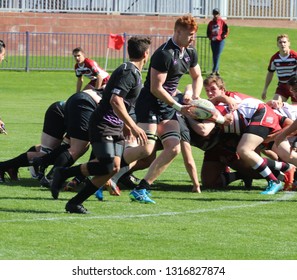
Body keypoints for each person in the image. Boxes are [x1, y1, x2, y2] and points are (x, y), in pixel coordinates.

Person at [50, 36, 151, 213]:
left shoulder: (134, 72)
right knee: (106, 165)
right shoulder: (129, 72)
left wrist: (126, 126)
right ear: (146, 54)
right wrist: (133, 126)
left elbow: (125, 103)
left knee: (113, 168)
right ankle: (62, 173)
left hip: (116, 126)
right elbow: (115, 100)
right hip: (103, 124)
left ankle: (74, 202)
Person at [121, 14, 203, 204]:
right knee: (146, 149)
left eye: (194, 34)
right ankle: (105, 167)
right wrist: (178, 106)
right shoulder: (164, 54)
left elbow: (197, 76)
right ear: (177, 32)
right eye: (189, 34)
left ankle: (142, 188)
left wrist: (196, 98)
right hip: (150, 103)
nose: (192, 38)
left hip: (168, 106)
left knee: (173, 149)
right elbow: (155, 88)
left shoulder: (190, 53)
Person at [0, 101, 68, 183]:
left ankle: (11, 166)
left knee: (66, 148)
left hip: (68, 111)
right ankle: (4, 166)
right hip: (61, 112)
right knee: (50, 153)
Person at [261, 34, 297, 104]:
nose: (282, 44)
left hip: (295, 87)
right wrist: (265, 89)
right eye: (280, 42)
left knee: (295, 110)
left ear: (289, 43)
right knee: (274, 105)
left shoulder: (295, 56)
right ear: (277, 44)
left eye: (284, 42)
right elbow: (270, 73)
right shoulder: (275, 58)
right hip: (282, 86)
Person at [206, 8, 229, 76]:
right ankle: (217, 70)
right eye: (214, 13)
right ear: (213, 14)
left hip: (220, 41)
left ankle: (213, 71)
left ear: (219, 14)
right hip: (213, 41)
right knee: (214, 56)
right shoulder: (210, 23)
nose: (215, 15)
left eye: (217, 14)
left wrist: (224, 36)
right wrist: (210, 37)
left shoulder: (222, 22)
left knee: (217, 55)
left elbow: (226, 29)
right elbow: (208, 32)